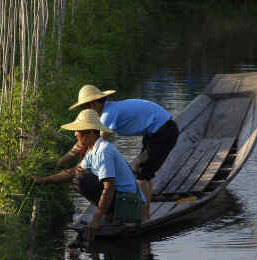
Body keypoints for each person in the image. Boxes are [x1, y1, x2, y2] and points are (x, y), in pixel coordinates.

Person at [68, 84, 179, 220]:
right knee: (141, 173)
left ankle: (143, 217)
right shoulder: (106, 111)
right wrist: (65, 160)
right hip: (154, 131)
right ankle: (139, 212)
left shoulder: (108, 114)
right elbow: (84, 140)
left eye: (84, 107)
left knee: (141, 175)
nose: (84, 111)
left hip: (163, 131)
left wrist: (79, 166)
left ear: (93, 104)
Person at [32, 109, 143, 241]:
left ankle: (112, 216)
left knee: (81, 179)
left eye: (78, 131)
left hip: (129, 203)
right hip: (121, 199)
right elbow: (74, 172)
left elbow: (109, 187)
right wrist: (43, 180)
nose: (75, 134)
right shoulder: (92, 149)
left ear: (90, 133)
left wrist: (96, 219)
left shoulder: (103, 151)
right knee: (77, 178)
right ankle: (110, 215)